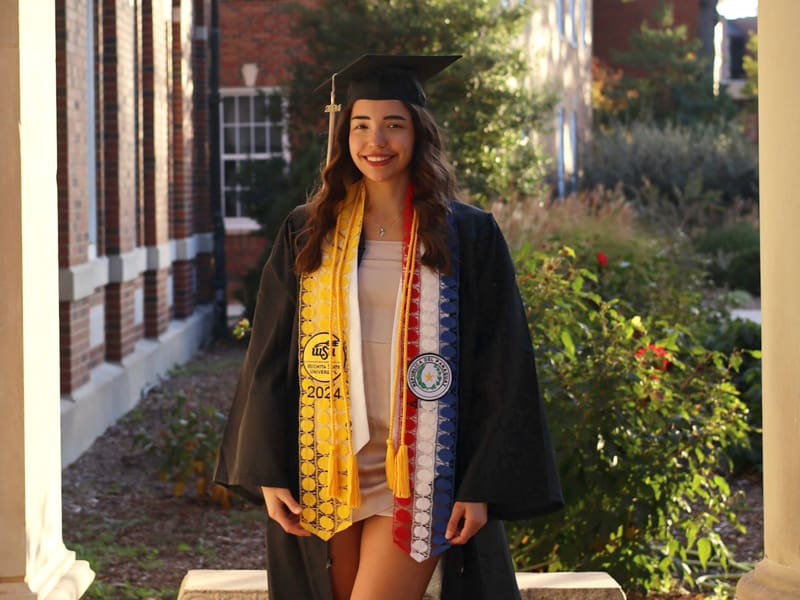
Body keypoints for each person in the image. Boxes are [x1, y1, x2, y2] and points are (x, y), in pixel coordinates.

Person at [214, 54, 563, 600]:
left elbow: (503, 363)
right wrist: (269, 469)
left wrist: (479, 486)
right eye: (361, 125)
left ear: (418, 134)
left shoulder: (466, 235)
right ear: (344, 137)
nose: (376, 140)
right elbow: (270, 356)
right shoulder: (309, 231)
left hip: (421, 472)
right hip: (327, 467)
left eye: (393, 124)